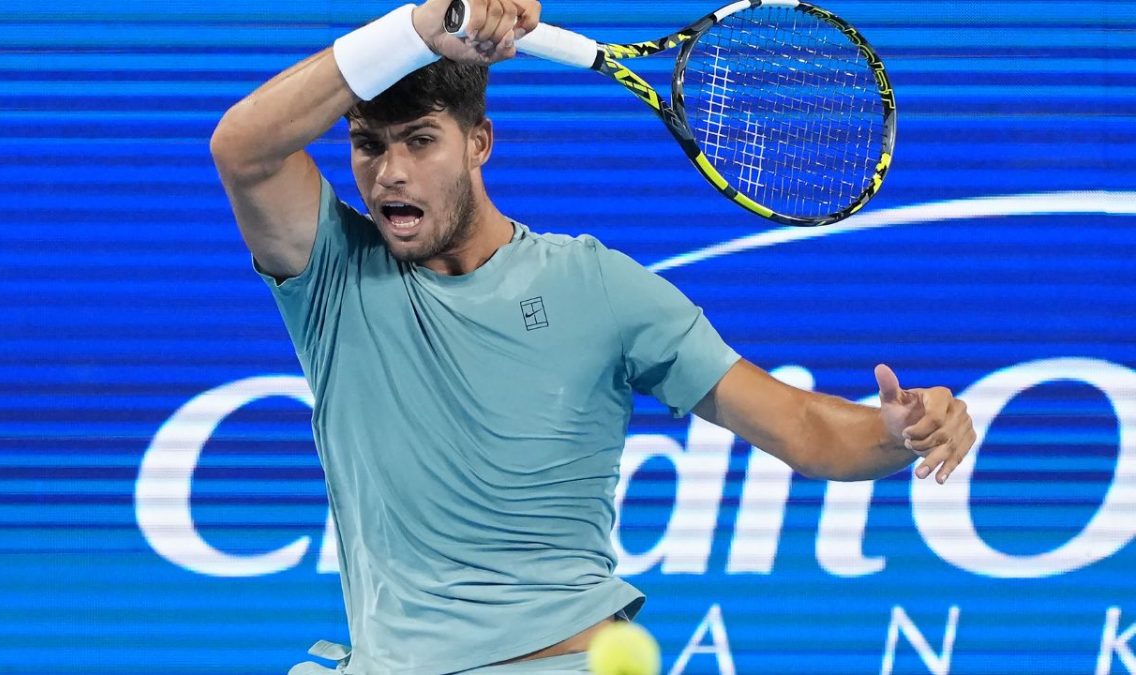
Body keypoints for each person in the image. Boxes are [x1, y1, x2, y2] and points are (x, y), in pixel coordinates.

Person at [209, 1, 978, 672]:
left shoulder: (599, 286)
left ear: (480, 142)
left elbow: (806, 429)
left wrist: (897, 432)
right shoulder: (333, 277)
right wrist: (420, 29)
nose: (388, 175)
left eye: (419, 141)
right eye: (368, 145)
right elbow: (242, 147)